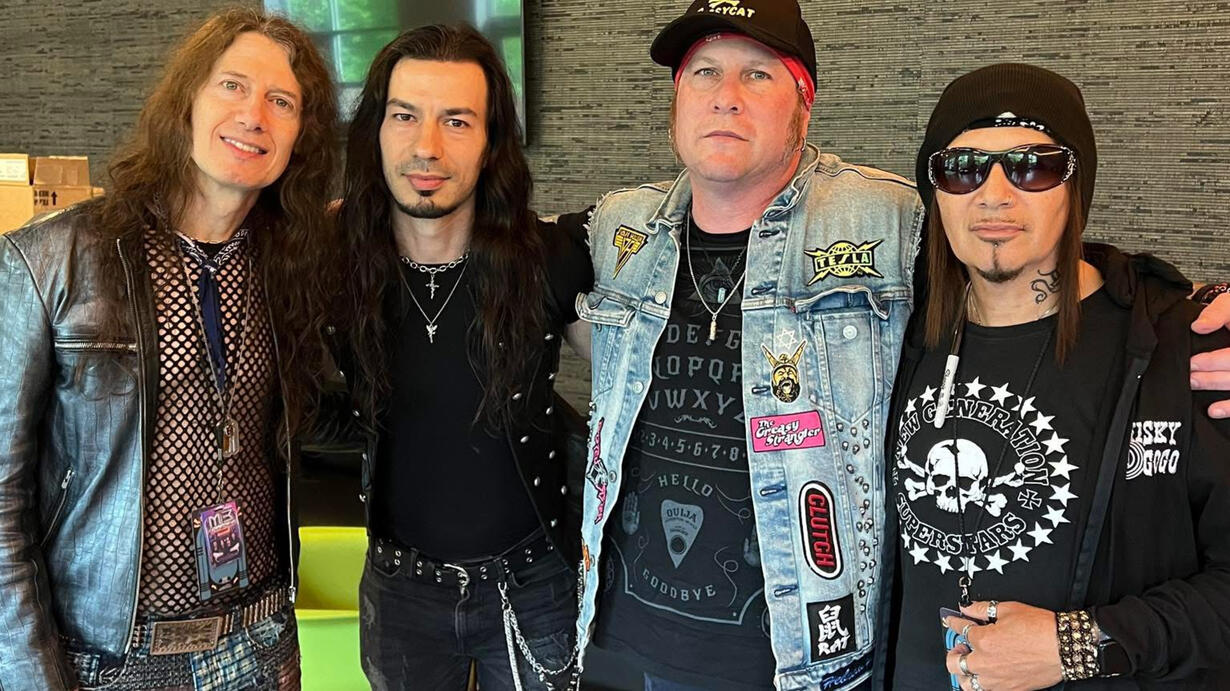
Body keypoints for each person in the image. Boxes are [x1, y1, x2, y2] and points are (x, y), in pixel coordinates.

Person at [572, 1, 921, 688]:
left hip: (797, 659)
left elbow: (1023, 266)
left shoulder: (890, 221)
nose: (725, 97)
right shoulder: (620, 225)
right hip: (617, 643)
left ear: (803, 109)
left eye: (758, 74)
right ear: (676, 104)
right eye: (704, 72)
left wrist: (1140, 289)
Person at [0, 8, 338, 690]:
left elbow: (326, 416)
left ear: (301, 135)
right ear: (186, 100)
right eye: (232, 86)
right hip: (109, 658)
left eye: (282, 102)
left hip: (261, 644)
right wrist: (31, 673)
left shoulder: (293, 268)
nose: (254, 116)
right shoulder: (53, 258)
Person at [885, 62, 1230, 690]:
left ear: (1076, 187)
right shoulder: (891, 334)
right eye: (962, 168)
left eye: (1032, 166)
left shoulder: (1186, 347)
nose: (994, 194)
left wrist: (1080, 644)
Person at [334, 24, 593, 691]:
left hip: (535, 583)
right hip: (399, 586)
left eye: (457, 121)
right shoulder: (334, 259)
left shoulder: (549, 258)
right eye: (404, 116)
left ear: (490, 142)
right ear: (375, 131)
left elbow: (635, 382)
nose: (427, 146)